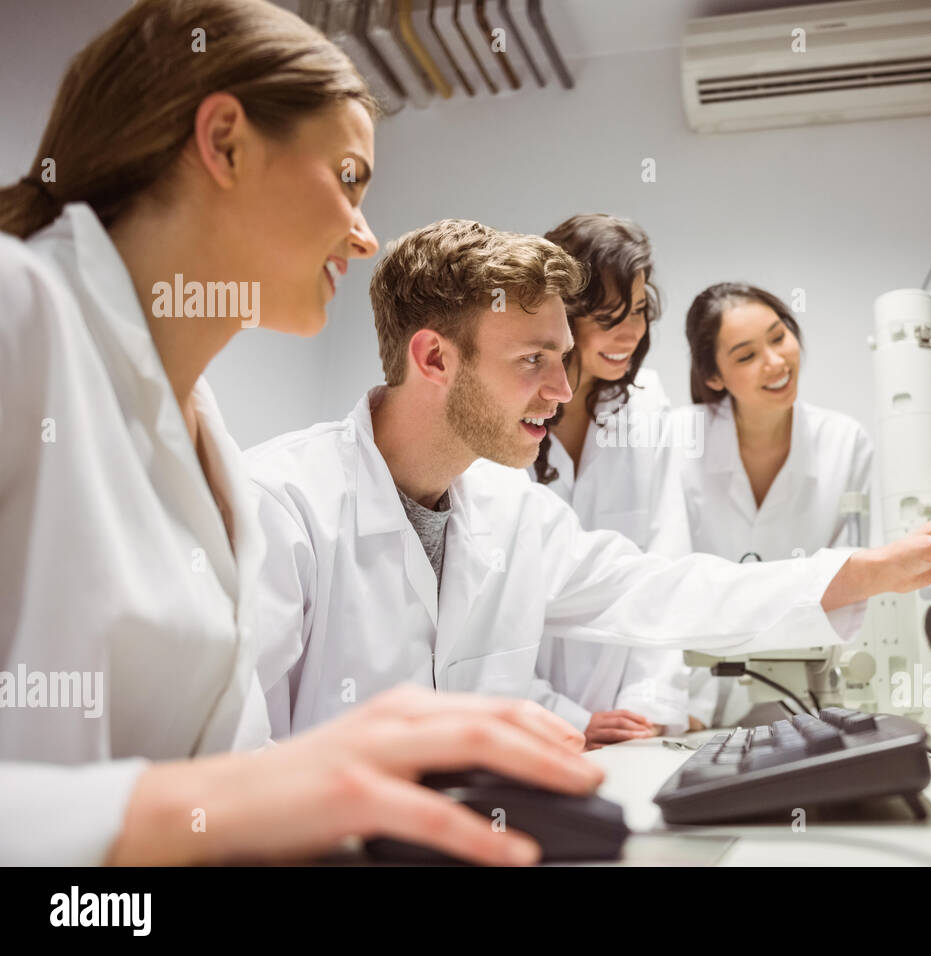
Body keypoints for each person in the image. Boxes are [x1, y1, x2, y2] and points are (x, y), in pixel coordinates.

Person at [0, 0, 595, 867]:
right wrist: (254, 795)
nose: (363, 237)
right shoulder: (19, 312)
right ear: (226, 142)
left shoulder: (211, 449)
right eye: (349, 177)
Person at [246, 218, 931, 739]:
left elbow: (661, 588)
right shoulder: (283, 507)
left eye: (564, 358)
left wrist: (875, 571)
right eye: (532, 362)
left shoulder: (508, 510)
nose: (561, 390)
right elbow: (228, 772)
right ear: (433, 359)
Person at [673, 283, 877, 726]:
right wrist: (682, 709)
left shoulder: (845, 443)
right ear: (714, 377)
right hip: (693, 696)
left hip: (812, 693)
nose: (776, 362)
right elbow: (666, 582)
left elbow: (851, 584)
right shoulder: (677, 442)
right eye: (746, 356)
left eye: (779, 336)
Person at [529, 214, 695, 747]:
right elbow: (487, 602)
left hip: (632, 722)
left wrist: (647, 707)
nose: (630, 333)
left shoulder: (647, 405)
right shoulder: (507, 414)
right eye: (608, 316)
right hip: (523, 719)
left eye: (641, 312)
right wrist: (563, 718)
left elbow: (666, 560)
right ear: (562, 312)